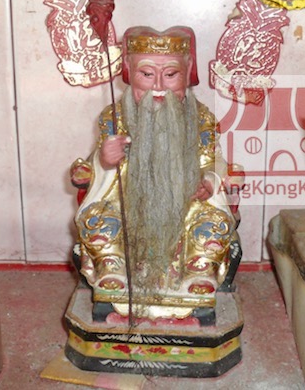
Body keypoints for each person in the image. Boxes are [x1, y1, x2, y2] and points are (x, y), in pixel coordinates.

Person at [70, 26, 241, 322]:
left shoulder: (201, 119)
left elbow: (213, 160)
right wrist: (104, 160)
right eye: (147, 74)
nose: (158, 86)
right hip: (126, 202)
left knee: (212, 224)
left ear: (187, 71)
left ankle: (197, 278)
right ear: (129, 71)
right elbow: (92, 169)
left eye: (171, 74)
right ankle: (113, 275)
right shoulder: (113, 118)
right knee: (99, 221)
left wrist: (209, 181)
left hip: (186, 203)